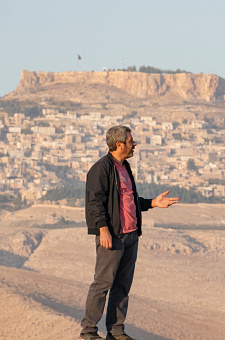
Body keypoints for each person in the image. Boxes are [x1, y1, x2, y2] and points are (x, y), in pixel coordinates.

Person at [80, 126, 179, 340]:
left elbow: (129, 203)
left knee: (122, 286)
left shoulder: (125, 168)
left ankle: (115, 331)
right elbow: (94, 203)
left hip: (131, 236)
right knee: (102, 283)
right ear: (119, 144)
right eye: (131, 140)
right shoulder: (102, 168)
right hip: (113, 236)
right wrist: (103, 230)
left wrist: (153, 203)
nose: (135, 144)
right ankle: (88, 331)